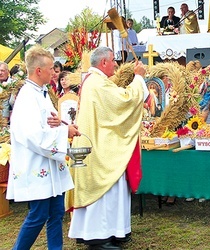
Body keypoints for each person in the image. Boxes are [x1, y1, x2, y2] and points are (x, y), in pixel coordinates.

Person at [67, 46, 148, 249]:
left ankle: (113, 231)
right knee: (103, 191)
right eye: (113, 60)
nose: (115, 64)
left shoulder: (96, 81)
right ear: (103, 62)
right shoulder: (97, 83)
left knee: (112, 190)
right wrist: (138, 78)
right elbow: (125, 101)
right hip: (100, 150)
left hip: (99, 143)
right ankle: (97, 237)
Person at [6, 45, 80, 249]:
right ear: (38, 71)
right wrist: (64, 133)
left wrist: (62, 125)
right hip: (36, 164)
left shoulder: (42, 93)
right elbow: (32, 134)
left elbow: (47, 123)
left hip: (50, 165)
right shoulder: (27, 96)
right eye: (50, 69)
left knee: (56, 213)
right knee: (38, 215)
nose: (54, 73)